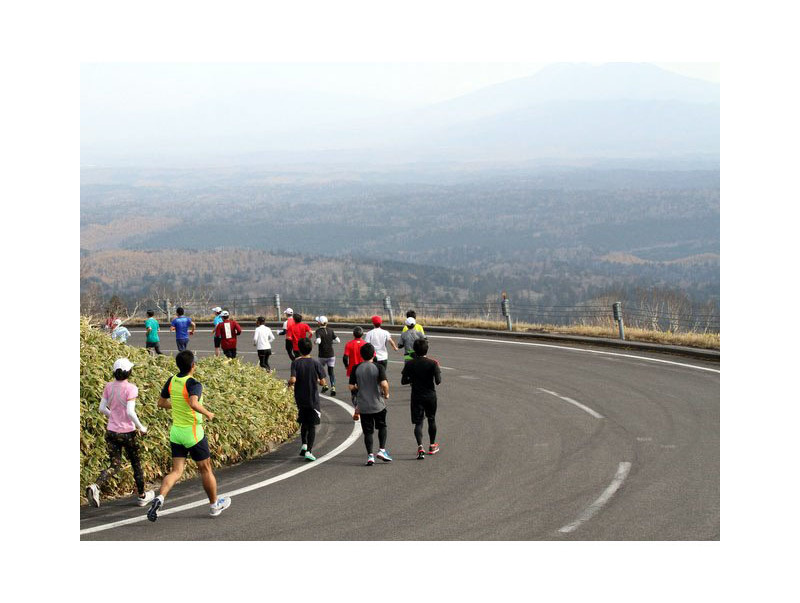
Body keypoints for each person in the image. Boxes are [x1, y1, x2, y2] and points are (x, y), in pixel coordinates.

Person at [147, 350, 231, 521]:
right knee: (206, 469)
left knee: (176, 471)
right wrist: (208, 413)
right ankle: (214, 505)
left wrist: (177, 406)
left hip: (176, 433)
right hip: (193, 433)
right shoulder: (194, 384)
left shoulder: (172, 380)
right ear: (193, 366)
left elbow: (161, 403)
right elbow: (193, 403)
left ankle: (160, 498)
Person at [85, 358, 154, 508]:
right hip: (127, 433)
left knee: (115, 465)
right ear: (129, 372)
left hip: (111, 432)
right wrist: (141, 427)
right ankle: (142, 496)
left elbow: (102, 408)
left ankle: (96, 486)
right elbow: (130, 411)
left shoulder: (109, 386)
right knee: (136, 463)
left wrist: (114, 417)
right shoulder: (131, 388)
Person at [349, 343, 393, 466]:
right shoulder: (378, 367)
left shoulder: (356, 368)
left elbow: (351, 386)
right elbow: (384, 384)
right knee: (382, 427)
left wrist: (360, 390)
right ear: (374, 354)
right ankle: (382, 450)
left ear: (361, 355)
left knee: (368, 432)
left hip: (363, 405)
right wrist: (386, 394)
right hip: (377, 404)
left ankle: (370, 456)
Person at [401, 339, 442, 458]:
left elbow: (403, 381)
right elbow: (438, 382)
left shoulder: (410, 363)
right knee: (431, 419)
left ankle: (420, 446)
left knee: (418, 422)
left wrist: (413, 379)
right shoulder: (433, 363)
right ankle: (432, 445)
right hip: (430, 395)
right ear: (427, 349)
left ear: (414, 349)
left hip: (416, 396)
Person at [287, 337, 327, 462]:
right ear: (311, 348)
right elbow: (323, 382)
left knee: (303, 421)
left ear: (298, 349)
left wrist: (289, 383)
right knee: (312, 425)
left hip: (300, 398)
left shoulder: (296, 362)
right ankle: (309, 451)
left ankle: (304, 444)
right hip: (312, 399)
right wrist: (318, 380)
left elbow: (293, 379)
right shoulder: (316, 363)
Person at [314, 316, 340, 396]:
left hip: (322, 355)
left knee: (319, 371)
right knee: (331, 372)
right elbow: (338, 341)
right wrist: (331, 342)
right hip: (331, 355)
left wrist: (315, 341)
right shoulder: (331, 330)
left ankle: (325, 385)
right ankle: (333, 387)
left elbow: (318, 341)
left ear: (319, 323)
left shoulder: (318, 331)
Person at [343, 326, 366, 408]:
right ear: (362, 334)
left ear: (353, 334)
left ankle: (356, 405)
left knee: (353, 389)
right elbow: (374, 357)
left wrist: (346, 366)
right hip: (364, 369)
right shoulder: (366, 344)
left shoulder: (349, 344)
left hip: (353, 370)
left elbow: (345, 357)